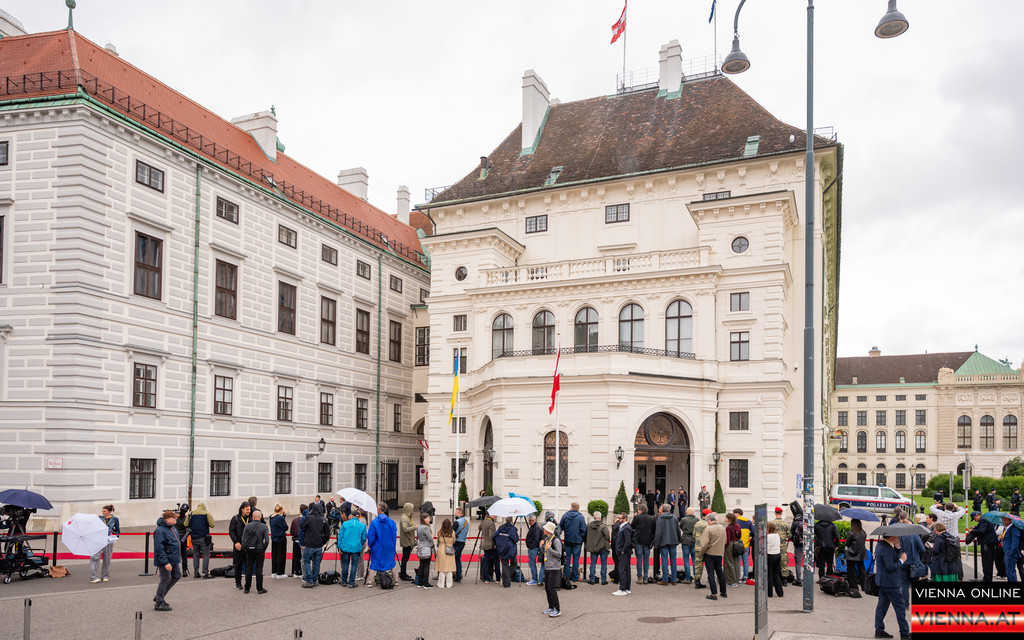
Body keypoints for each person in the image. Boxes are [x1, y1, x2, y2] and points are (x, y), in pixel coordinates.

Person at [874, 533, 911, 640]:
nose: (899, 537)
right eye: (897, 536)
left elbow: (891, 557)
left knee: (882, 607)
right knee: (900, 607)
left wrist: (898, 547)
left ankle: (879, 630)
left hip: (883, 581)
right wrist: (901, 560)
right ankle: (904, 632)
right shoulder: (887, 548)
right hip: (890, 583)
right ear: (891, 536)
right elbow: (890, 566)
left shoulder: (882, 544)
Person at [153, 510, 181, 612]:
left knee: (177, 575)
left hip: (173, 558)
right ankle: (159, 603)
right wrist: (165, 562)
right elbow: (159, 548)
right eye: (174, 518)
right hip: (166, 559)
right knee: (165, 579)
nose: (176, 519)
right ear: (167, 519)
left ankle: (160, 596)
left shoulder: (172, 528)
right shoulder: (160, 530)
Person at [367, 502, 397, 587]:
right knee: (391, 562)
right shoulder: (391, 522)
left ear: (378, 509)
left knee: (375, 562)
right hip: (389, 545)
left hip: (378, 546)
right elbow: (394, 534)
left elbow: (371, 536)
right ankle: (396, 580)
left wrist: (370, 545)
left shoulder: (374, 522)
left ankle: (369, 582)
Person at [300, 503, 329, 588]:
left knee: (306, 561)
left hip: (310, 544)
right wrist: (322, 542)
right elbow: (327, 534)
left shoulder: (309, 518)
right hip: (318, 544)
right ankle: (315, 579)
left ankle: (309, 580)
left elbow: (301, 526)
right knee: (316, 563)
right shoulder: (324, 520)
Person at [240, 509, 269, 594]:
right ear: (261, 517)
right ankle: (259, 588)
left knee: (249, 568)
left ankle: (247, 588)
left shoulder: (247, 526)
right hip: (259, 549)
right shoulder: (264, 527)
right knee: (259, 569)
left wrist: (246, 548)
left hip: (249, 550)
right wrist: (263, 549)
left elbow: (243, 539)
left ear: (253, 517)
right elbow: (267, 540)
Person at [89, 504, 119, 584]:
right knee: (95, 557)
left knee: (107, 559)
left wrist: (115, 535)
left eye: (104, 511)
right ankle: (93, 577)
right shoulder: (99, 518)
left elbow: (117, 530)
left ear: (109, 511)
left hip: (109, 540)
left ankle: (105, 576)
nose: (103, 512)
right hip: (98, 539)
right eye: (102, 511)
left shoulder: (115, 519)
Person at [701, 512, 727, 600]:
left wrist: (702, 552)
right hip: (719, 553)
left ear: (709, 520)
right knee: (720, 572)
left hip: (710, 553)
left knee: (711, 573)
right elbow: (725, 540)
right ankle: (723, 592)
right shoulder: (722, 528)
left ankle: (714, 593)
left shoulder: (708, 529)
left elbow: (704, 544)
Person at [184, 502, 214, 579]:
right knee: (205, 555)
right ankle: (205, 573)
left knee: (196, 555)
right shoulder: (207, 514)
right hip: (204, 538)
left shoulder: (190, 514)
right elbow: (212, 524)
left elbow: (185, 524)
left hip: (193, 538)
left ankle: (196, 573)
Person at [338, 506, 367, 588]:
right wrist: (359, 544)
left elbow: (340, 536)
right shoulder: (362, 526)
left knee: (345, 564)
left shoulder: (345, 524)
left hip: (346, 547)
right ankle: (351, 582)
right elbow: (363, 538)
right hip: (356, 547)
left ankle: (344, 581)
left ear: (352, 516)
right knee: (354, 565)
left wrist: (339, 546)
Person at [965, 510, 997, 582]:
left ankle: (987, 578)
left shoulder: (983, 520)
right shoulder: (984, 519)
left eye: (974, 519)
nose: (975, 520)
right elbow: (983, 527)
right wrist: (975, 527)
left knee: (986, 562)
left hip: (987, 543)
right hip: (989, 542)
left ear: (977, 516)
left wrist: (972, 531)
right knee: (988, 561)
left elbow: (982, 531)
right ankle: (988, 578)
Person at [559, 502, 587, 583]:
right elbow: (583, 530)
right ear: (578, 508)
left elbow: (561, 527)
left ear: (571, 507)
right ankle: (575, 578)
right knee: (576, 560)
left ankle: (566, 577)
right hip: (577, 542)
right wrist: (581, 539)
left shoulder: (565, 515)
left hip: (567, 540)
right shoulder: (581, 517)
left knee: (567, 560)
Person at [654, 504, 680, 585]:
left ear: (662, 510)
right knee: (673, 560)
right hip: (673, 541)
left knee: (664, 560)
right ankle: (674, 579)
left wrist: (656, 543)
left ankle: (665, 579)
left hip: (663, 541)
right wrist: (679, 539)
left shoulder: (660, 518)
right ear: (669, 510)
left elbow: (658, 532)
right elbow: (678, 530)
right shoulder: (674, 518)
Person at [228, 501, 252, 590]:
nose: (249, 511)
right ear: (242, 509)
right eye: (247, 509)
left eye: (249, 509)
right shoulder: (235, 518)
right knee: (238, 566)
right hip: (238, 546)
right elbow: (231, 531)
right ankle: (238, 583)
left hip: (248, 547)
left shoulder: (251, 519)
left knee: (249, 566)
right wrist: (236, 542)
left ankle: (248, 584)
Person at [541, 521, 563, 616]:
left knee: (552, 588)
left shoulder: (556, 540)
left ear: (548, 530)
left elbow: (559, 554)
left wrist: (549, 548)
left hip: (554, 567)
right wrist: (542, 546)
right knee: (547, 588)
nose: (543, 529)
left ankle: (557, 609)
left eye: (545, 528)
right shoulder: (546, 539)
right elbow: (545, 552)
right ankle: (551, 607)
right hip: (548, 566)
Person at [585, 511, 611, 585]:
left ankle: (592, 579)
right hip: (602, 546)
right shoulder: (603, 526)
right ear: (600, 517)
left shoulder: (589, 526)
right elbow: (607, 536)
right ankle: (603, 580)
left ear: (594, 517)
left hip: (593, 547)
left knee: (593, 563)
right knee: (603, 563)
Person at [632, 504, 655, 584]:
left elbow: (632, 527)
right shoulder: (651, 518)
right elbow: (653, 530)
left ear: (640, 510)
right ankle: (645, 577)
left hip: (638, 541)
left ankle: (639, 577)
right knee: (646, 560)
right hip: (647, 541)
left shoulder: (637, 518)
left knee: (639, 559)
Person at [494, 516, 519, 588]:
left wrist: (498, 543)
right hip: (510, 549)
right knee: (514, 563)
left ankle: (506, 581)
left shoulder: (501, 527)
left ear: (505, 520)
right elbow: (516, 539)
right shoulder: (512, 529)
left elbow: (494, 536)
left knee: (504, 565)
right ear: (512, 520)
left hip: (502, 548)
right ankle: (506, 578)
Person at [612, 513, 633, 596]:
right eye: (619, 518)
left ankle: (622, 589)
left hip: (623, 552)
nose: (619, 520)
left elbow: (628, 541)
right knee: (626, 570)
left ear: (625, 519)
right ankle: (627, 588)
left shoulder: (626, 527)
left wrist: (623, 551)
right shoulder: (623, 527)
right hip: (623, 551)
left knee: (622, 570)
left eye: (621, 518)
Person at [845, 519, 867, 594]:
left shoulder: (850, 533)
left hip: (852, 553)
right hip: (861, 553)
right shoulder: (863, 533)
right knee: (862, 569)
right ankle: (864, 586)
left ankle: (853, 586)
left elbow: (847, 543)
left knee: (851, 570)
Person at [770, 507, 791, 582]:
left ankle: (775, 578)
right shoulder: (785, 524)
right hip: (783, 545)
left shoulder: (772, 523)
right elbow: (789, 535)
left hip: (774, 545)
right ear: (781, 513)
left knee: (774, 562)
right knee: (784, 561)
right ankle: (784, 579)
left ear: (775, 513)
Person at [415, 513, 435, 589]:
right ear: (424, 519)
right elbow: (430, 538)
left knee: (421, 565)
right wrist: (432, 535)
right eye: (428, 518)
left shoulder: (419, 527)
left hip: (420, 547)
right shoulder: (426, 528)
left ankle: (420, 582)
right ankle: (426, 583)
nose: (429, 520)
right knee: (426, 565)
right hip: (426, 547)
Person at [268, 505, 288, 579]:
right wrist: (283, 517)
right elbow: (285, 527)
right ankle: (280, 573)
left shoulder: (271, 517)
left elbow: (278, 524)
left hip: (274, 538)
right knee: (281, 556)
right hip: (281, 538)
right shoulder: (280, 518)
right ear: (281, 510)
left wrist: (283, 517)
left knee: (274, 555)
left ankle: (274, 571)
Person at [435, 518, 456, 588]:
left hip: (441, 549)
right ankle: (449, 583)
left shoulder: (440, 532)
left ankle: (441, 583)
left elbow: (438, 541)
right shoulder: (452, 532)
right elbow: (454, 541)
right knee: (449, 568)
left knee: (441, 568)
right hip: (449, 548)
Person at [679, 506, 697, 584]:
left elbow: (681, 527)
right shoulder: (697, 520)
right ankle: (696, 577)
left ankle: (687, 578)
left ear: (687, 512)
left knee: (686, 559)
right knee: (694, 560)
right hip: (694, 539)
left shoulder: (683, 520)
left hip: (685, 539)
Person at [399, 502, 417, 582]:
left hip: (408, 540)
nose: (413, 511)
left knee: (405, 558)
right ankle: (403, 574)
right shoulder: (405, 518)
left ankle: (403, 573)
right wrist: (415, 527)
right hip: (406, 541)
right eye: (412, 509)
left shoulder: (407, 517)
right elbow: (405, 529)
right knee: (405, 559)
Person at [1000, 515, 1021, 582]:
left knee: (1011, 572)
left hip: (1010, 554)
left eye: (1005, 520)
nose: (1003, 521)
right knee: (1008, 571)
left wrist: (1011, 553)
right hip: (1007, 552)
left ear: (1010, 520)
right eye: (1003, 520)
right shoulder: (1007, 528)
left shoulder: (1014, 529)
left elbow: (1015, 542)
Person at [734, 508, 753, 583]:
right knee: (746, 561)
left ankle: (738, 577)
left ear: (737, 514)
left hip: (738, 544)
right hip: (746, 544)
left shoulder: (735, 522)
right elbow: (753, 532)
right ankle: (745, 577)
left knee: (738, 561)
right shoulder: (749, 522)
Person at [288, 504, 306, 579]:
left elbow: (291, 532)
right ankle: (302, 572)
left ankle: (296, 571)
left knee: (296, 557)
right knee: (303, 557)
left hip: (296, 540)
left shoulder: (294, 520)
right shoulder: (306, 520)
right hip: (303, 541)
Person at [789, 501, 805, 586]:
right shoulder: (805, 523)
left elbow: (790, 534)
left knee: (798, 563)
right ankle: (806, 578)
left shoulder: (795, 524)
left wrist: (793, 540)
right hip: (806, 545)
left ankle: (798, 580)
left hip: (798, 545)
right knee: (806, 563)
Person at [479, 514, 498, 583]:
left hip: (485, 544)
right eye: (494, 515)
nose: (496, 516)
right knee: (496, 561)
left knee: (486, 561)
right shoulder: (491, 524)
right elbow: (491, 536)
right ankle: (497, 578)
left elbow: (479, 528)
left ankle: (486, 578)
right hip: (490, 545)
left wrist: (484, 519)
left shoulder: (484, 521)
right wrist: (494, 544)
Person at [525, 514, 544, 585]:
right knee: (532, 563)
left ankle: (534, 579)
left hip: (533, 548)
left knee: (532, 563)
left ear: (535, 520)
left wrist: (531, 546)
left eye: (532, 520)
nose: (531, 522)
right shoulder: (534, 527)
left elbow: (536, 539)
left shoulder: (536, 528)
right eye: (530, 521)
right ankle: (534, 578)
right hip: (533, 547)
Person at [692, 509, 709, 589]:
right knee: (710, 565)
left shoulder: (697, 523)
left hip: (698, 547)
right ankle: (711, 581)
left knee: (698, 564)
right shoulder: (708, 524)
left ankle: (697, 581)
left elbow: (694, 535)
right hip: (706, 547)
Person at [766, 522, 784, 597]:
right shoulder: (777, 535)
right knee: (776, 575)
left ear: (768, 529)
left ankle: (769, 593)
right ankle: (780, 592)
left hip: (770, 555)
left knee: (769, 575)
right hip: (777, 555)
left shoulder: (767, 537)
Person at [723, 512, 741, 587]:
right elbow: (739, 536)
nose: (725, 519)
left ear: (729, 519)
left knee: (729, 563)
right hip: (736, 544)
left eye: (726, 518)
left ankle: (731, 581)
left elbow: (727, 539)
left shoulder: (728, 528)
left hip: (730, 545)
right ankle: (737, 579)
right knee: (736, 562)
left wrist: (724, 546)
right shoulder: (738, 526)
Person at [174, 504, 190, 577]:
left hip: (176, 537)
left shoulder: (176, 517)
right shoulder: (186, 518)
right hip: (183, 537)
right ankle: (184, 570)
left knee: (175, 553)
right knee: (184, 554)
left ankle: (174, 570)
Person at [453, 508, 468, 582]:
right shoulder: (466, 522)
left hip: (456, 542)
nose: (455, 514)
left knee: (453, 559)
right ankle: (458, 576)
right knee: (458, 559)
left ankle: (453, 575)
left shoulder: (457, 522)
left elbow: (451, 531)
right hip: (462, 542)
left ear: (460, 514)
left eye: (456, 513)